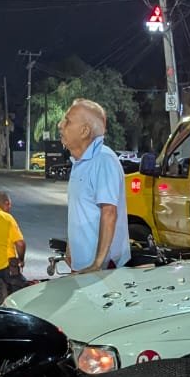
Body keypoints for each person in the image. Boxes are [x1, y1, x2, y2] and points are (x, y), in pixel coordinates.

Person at [58, 98, 129, 272]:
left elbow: (109, 213)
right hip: (84, 265)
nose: (61, 125)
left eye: (68, 121)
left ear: (84, 131)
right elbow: (79, 211)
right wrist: (70, 247)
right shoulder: (80, 162)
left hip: (101, 269)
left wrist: (97, 263)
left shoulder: (103, 160)